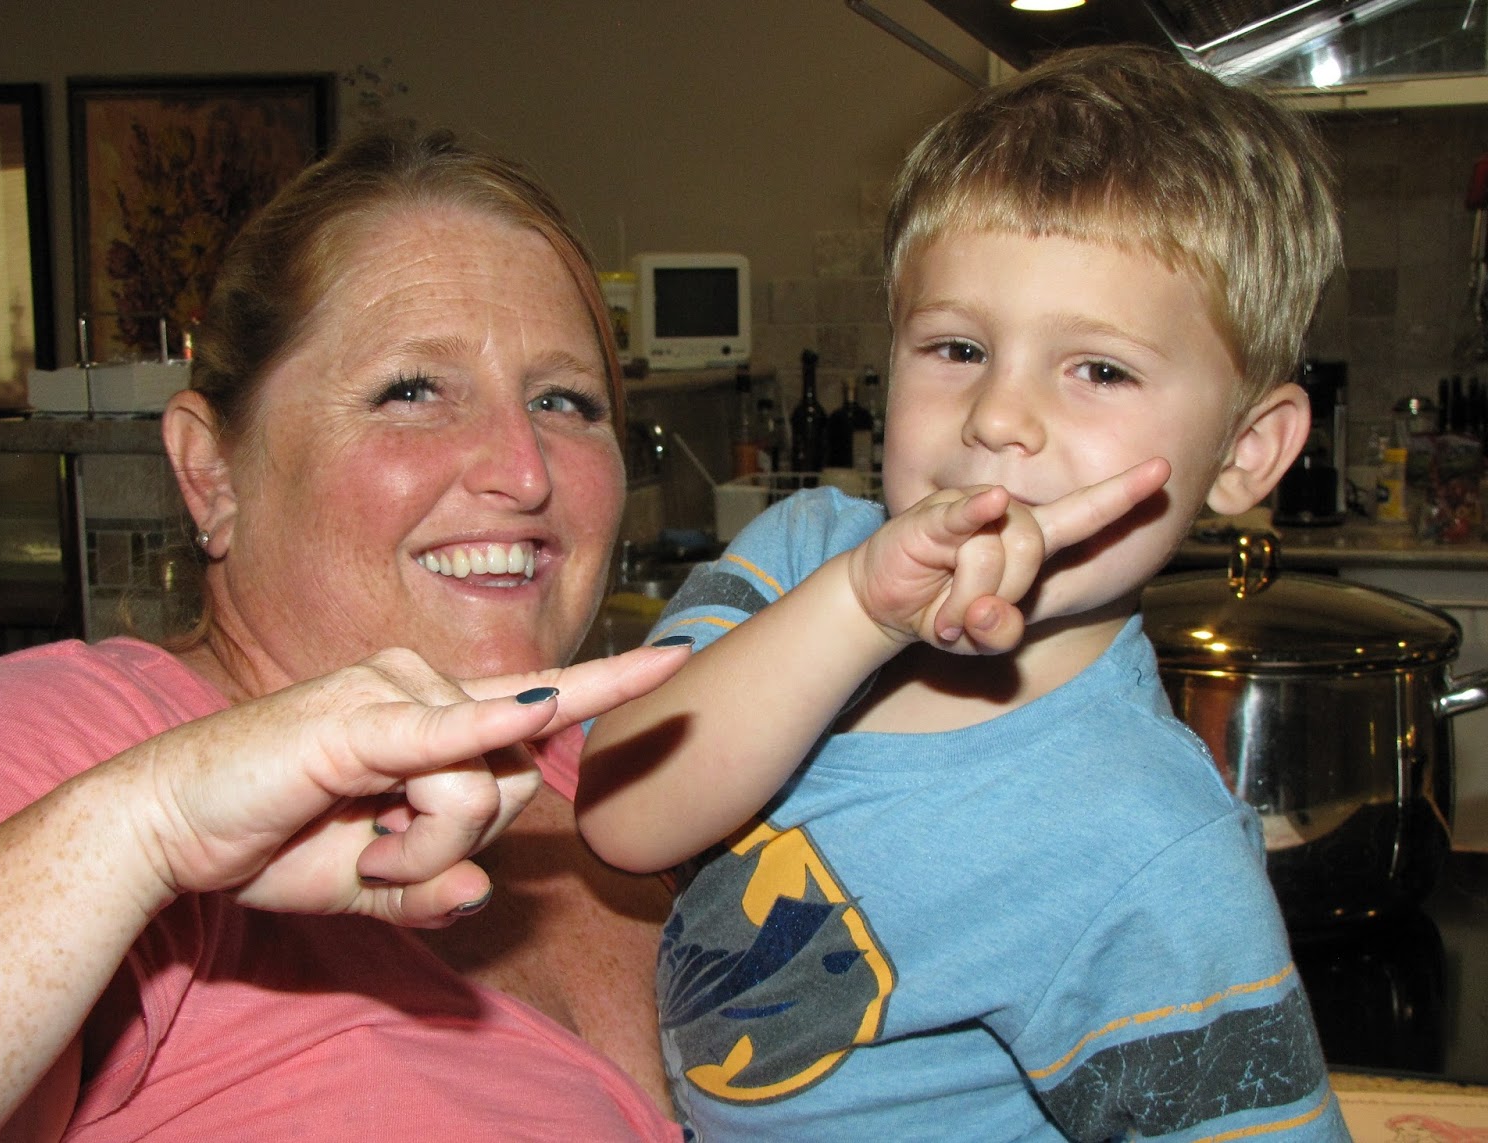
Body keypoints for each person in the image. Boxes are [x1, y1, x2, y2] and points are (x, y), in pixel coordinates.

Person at [578, 46, 1351, 1141]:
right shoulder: (802, 556)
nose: (997, 416)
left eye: (1099, 369)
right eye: (956, 347)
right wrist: (857, 608)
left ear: (1245, 450)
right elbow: (623, 811)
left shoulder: (1148, 842)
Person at [0, 126, 695, 1141]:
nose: (524, 470)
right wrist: (146, 830)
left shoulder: (635, 783)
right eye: (412, 390)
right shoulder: (55, 744)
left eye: (564, 400)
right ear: (210, 474)